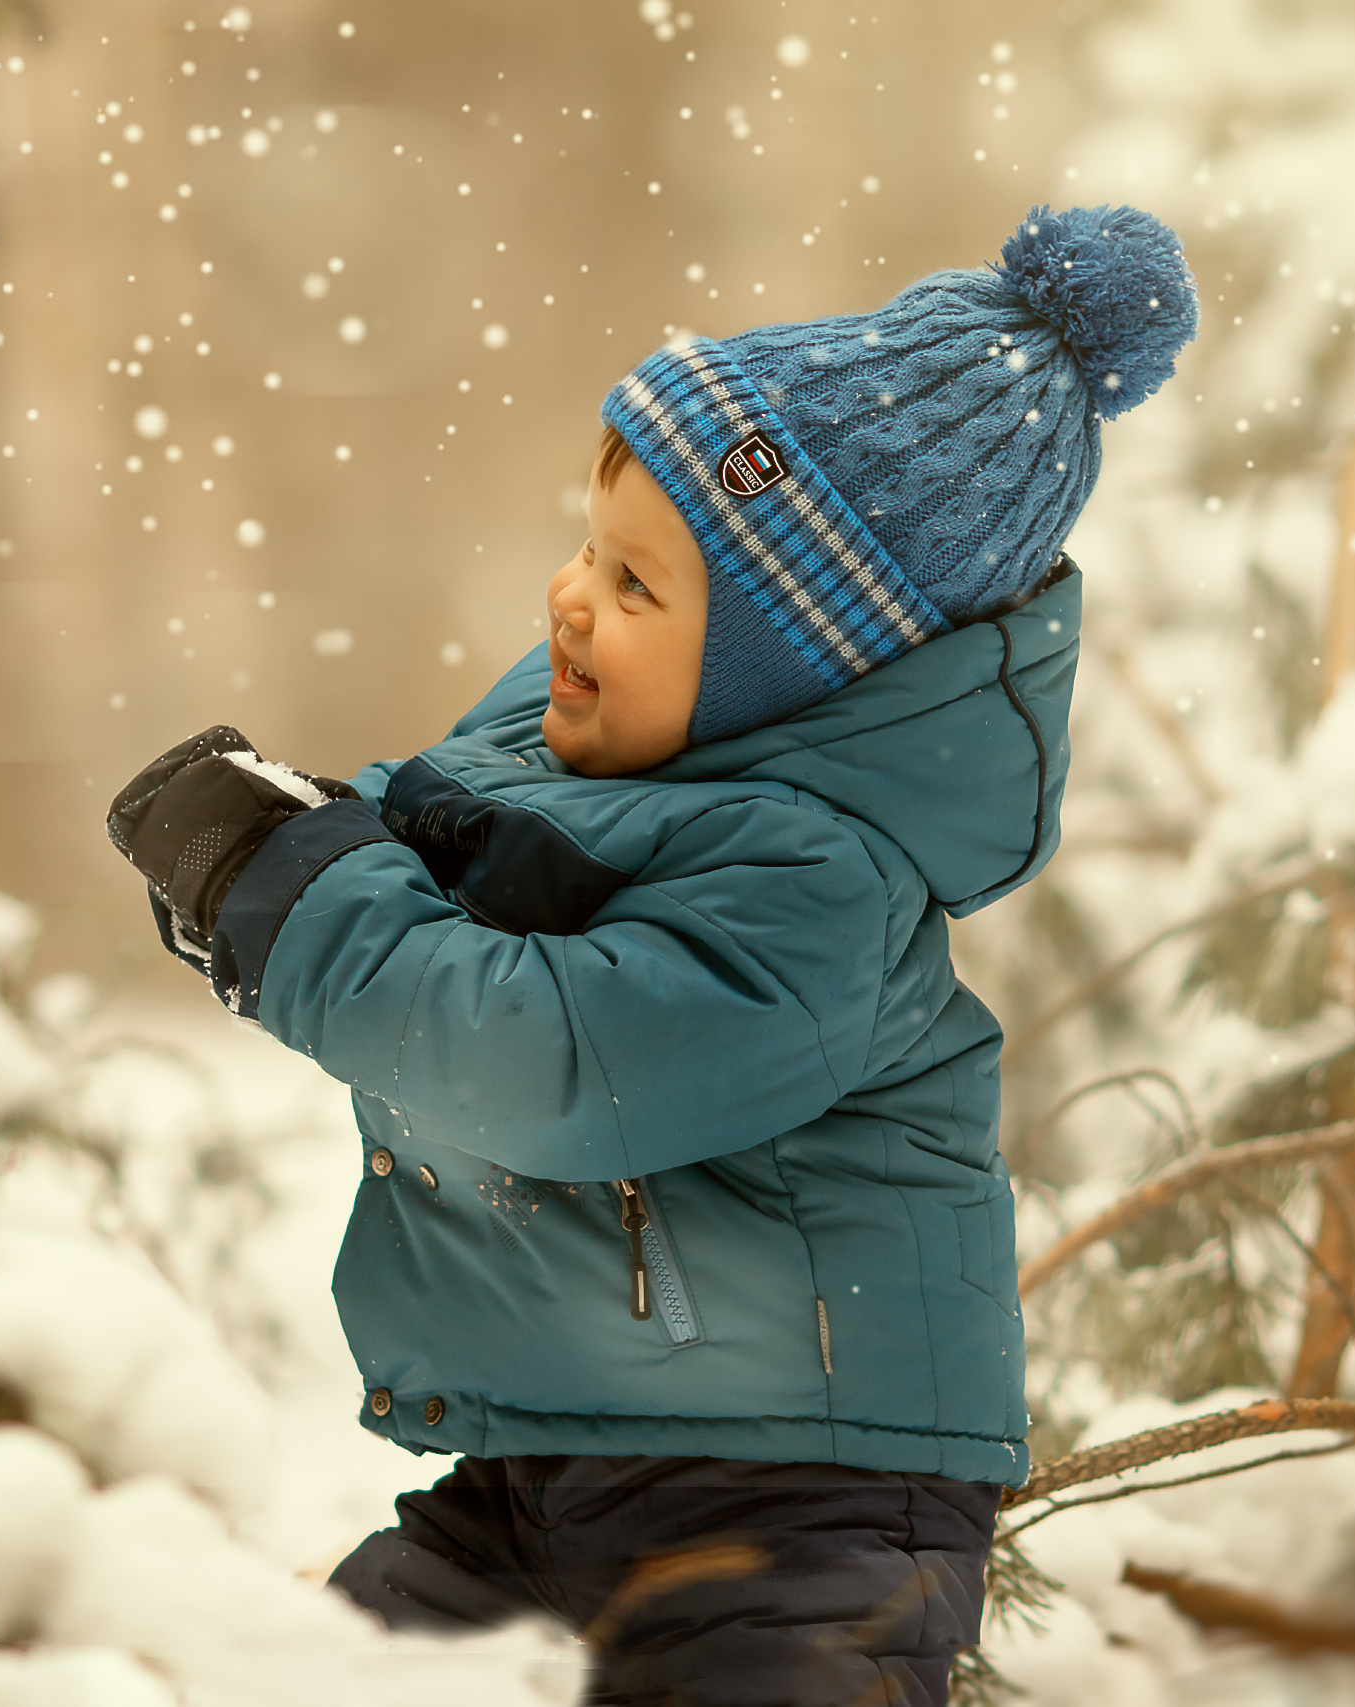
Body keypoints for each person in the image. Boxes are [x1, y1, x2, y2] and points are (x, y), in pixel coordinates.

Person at [107, 204, 1197, 1706]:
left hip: (802, 1516)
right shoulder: (603, 758)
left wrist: (299, 907)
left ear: (791, 679)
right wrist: (277, 853)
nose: (570, 596)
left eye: (638, 588)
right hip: (547, 1474)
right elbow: (417, 847)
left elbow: (548, 1066)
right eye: (589, 545)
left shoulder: (816, 880)